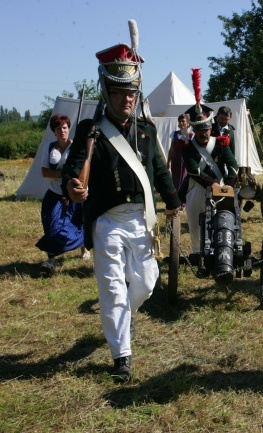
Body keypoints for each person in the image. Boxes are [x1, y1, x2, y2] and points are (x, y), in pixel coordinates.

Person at [62, 42, 181, 382]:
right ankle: (122, 358)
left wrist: (173, 201)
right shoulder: (89, 130)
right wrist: (72, 186)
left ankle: (120, 321)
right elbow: (72, 170)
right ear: (106, 92)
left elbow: (158, 170)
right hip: (105, 220)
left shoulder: (145, 130)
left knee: (146, 282)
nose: (126, 99)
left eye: (131, 93)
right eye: (119, 93)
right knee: (112, 290)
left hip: (141, 219)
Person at [182, 103, 238, 267]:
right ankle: (197, 255)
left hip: (220, 190)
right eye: (199, 130)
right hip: (197, 190)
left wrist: (228, 184)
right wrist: (212, 184)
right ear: (195, 131)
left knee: (221, 224)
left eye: (206, 129)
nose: (203, 133)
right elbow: (194, 171)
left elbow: (233, 164)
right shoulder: (188, 148)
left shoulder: (220, 144)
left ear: (210, 128)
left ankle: (219, 254)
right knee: (195, 226)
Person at [36, 114, 89, 275]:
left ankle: (84, 249)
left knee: (79, 223)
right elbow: (45, 171)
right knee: (51, 224)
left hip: (74, 193)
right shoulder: (49, 148)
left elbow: (82, 169)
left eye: (65, 127)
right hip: (55, 193)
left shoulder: (76, 147)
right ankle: (51, 259)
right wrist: (63, 174)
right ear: (54, 131)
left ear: (68, 129)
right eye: (59, 128)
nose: (62, 131)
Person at [167, 113, 192, 191]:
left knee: (184, 182)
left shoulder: (191, 135)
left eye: (183, 121)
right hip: (176, 162)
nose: (181, 123)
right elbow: (171, 149)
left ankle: (183, 202)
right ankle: (176, 200)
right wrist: (168, 161)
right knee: (175, 182)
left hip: (186, 163)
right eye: (180, 121)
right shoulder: (174, 134)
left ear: (188, 123)